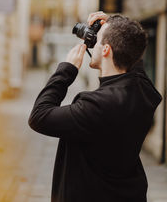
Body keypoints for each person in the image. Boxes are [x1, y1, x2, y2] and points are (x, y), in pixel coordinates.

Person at [28, 11, 162, 202]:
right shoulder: (143, 91)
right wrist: (114, 24)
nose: (90, 41)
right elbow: (133, 52)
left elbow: (39, 116)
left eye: (96, 40)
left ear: (106, 50)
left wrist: (66, 70)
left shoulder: (97, 105)